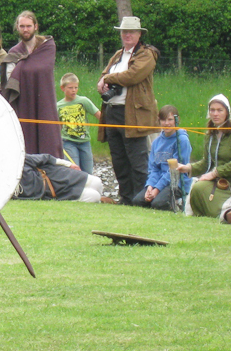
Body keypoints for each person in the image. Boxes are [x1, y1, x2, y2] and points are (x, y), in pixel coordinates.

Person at [97, 16, 158, 205]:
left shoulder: (146, 54)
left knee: (137, 160)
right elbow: (105, 74)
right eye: (124, 31)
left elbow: (133, 76)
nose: (127, 35)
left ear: (139, 34)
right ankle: (126, 198)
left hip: (133, 114)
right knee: (118, 159)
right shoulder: (118, 55)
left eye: (131, 31)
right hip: (112, 111)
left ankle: (141, 199)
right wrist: (103, 81)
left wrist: (108, 79)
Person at [177, 94, 231, 217]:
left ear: (227, 112)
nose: (215, 114)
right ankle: (210, 214)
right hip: (217, 179)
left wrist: (214, 173)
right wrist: (188, 168)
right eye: (212, 110)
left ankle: (226, 214)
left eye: (219, 110)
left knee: (200, 187)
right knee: (197, 187)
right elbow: (207, 162)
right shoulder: (210, 135)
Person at [3, 11, 63, 158]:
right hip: (24, 103)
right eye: (22, 26)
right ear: (17, 27)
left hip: (45, 101)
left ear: (36, 26)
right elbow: (9, 79)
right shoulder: (14, 52)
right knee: (26, 141)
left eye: (28, 26)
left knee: (48, 139)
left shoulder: (47, 47)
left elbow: (42, 68)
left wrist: (22, 68)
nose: (25, 29)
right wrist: (25, 68)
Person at [133, 105, 191, 211]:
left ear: (177, 120)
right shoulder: (156, 142)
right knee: (138, 201)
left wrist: (157, 189)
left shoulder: (181, 140)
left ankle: (177, 205)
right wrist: (150, 186)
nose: (167, 123)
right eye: (163, 120)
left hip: (176, 182)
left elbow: (175, 171)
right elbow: (153, 168)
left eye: (170, 119)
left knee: (158, 204)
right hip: (159, 182)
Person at [13, 153, 106, 202]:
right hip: (53, 193)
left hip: (56, 175)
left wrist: (69, 164)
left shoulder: (17, 159)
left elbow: (47, 158)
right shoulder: (5, 191)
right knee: (94, 197)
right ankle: (101, 200)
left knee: (96, 182)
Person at [56, 72, 101, 173]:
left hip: (84, 141)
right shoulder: (58, 106)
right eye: (70, 88)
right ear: (63, 88)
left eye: (76, 87)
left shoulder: (84, 101)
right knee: (74, 170)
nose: (73, 90)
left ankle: (87, 188)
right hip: (68, 142)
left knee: (88, 171)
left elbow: (99, 116)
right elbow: (57, 127)